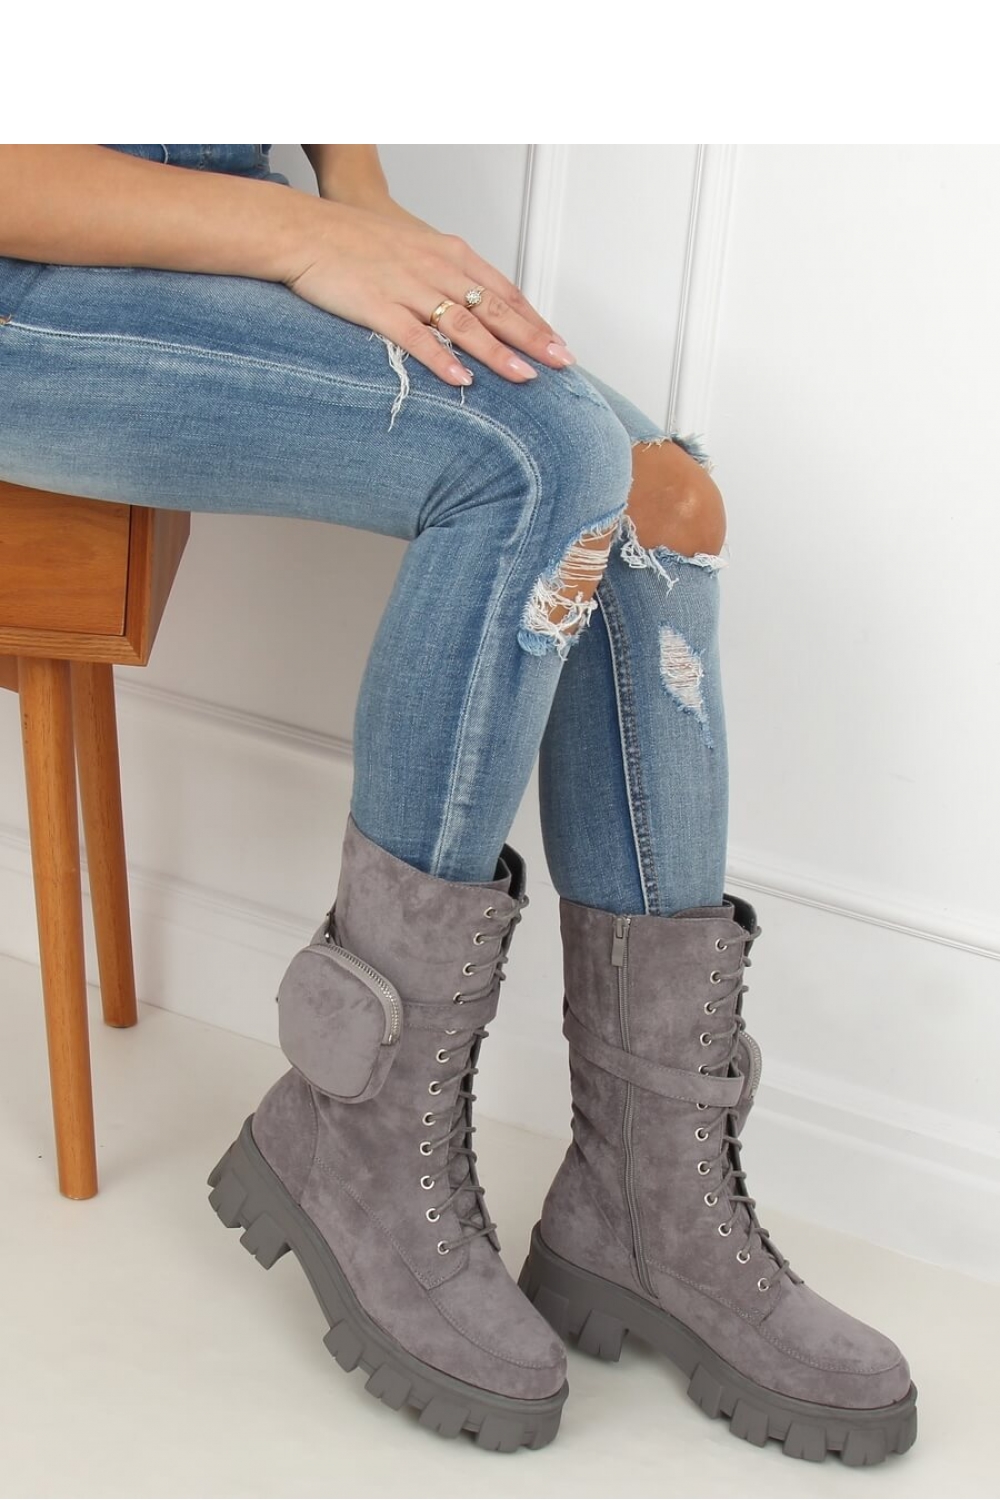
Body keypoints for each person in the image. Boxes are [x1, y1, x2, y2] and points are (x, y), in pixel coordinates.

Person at [0, 143, 916, 1463]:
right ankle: (356, 1127)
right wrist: (299, 237)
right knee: (535, 463)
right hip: (32, 268)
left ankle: (647, 1198)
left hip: (220, 224)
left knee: (660, 504)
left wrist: (353, 193)